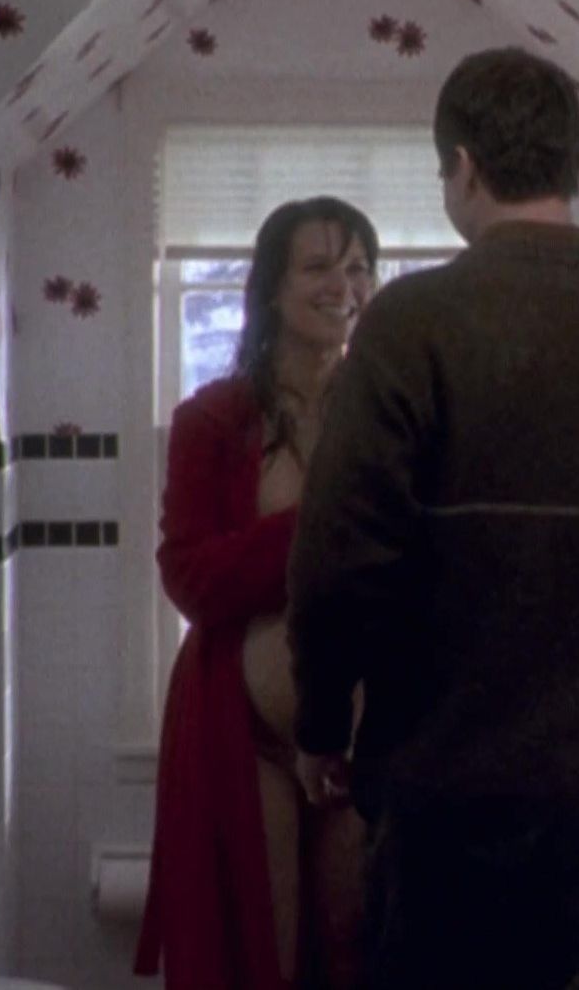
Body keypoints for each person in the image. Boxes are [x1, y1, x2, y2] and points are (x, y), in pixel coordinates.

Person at [284, 48, 579, 990]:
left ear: (464, 167)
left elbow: (338, 564)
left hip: (443, 797)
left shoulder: (411, 328)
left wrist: (321, 726)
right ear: (571, 166)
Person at [134, 197, 379, 990]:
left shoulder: (387, 414)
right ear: (271, 287)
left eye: (358, 267)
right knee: (260, 953)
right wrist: (321, 530)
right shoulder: (214, 419)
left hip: (365, 737)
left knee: (353, 948)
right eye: (318, 266)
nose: (343, 285)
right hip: (247, 736)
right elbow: (190, 578)